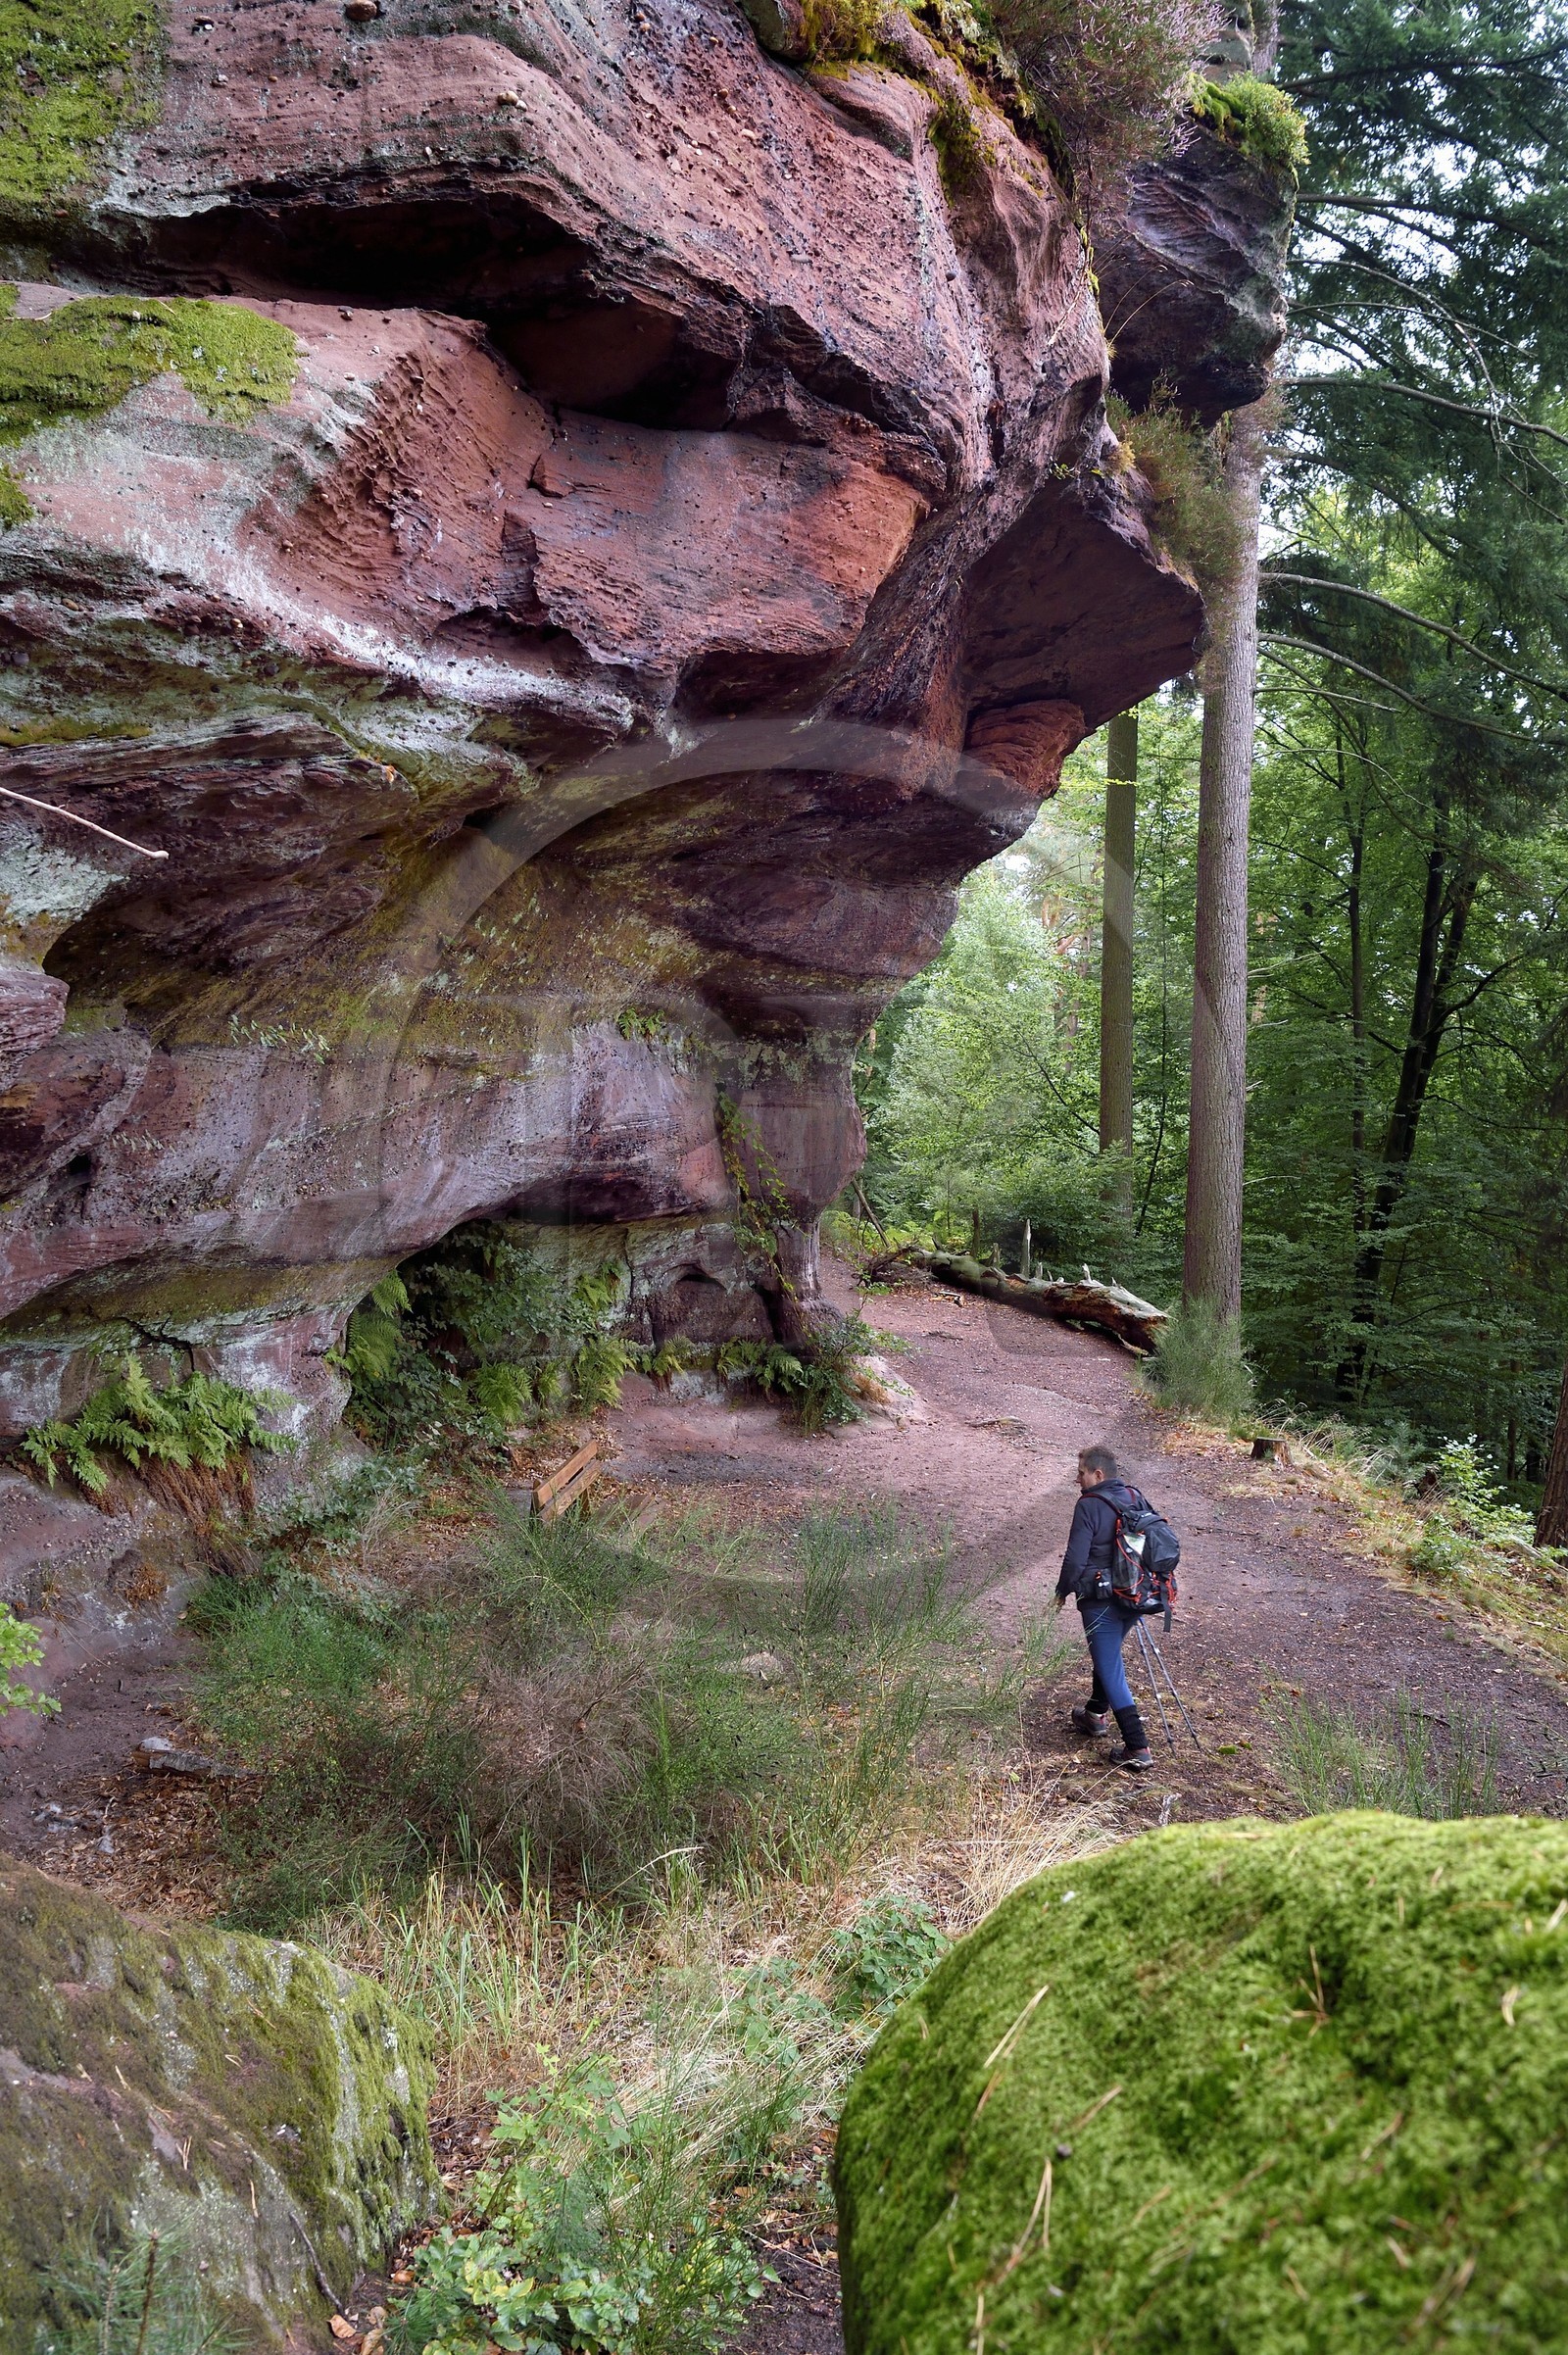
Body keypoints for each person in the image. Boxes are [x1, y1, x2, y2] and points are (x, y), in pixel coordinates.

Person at [1054, 1444, 1153, 1771]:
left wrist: (1062, 1591)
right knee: (1105, 1655)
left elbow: (1075, 1558)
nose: (1077, 1478)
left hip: (1101, 1598)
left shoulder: (1089, 1504)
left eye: (1081, 1472)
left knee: (1109, 1664)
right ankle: (1095, 1714)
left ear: (1098, 1474)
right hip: (1137, 1593)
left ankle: (1137, 1746)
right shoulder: (1134, 1496)